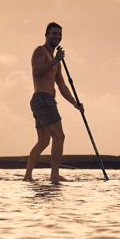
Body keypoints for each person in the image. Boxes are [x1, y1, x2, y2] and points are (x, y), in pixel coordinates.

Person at [23, 21, 84, 183]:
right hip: (42, 99)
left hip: (46, 101)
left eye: (59, 34)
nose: (57, 36)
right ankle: (54, 175)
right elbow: (37, 72)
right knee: (59, 136)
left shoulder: (56, 62)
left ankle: (27, 176)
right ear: (46, 35)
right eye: (54, 34)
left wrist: (75, 103)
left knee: (43, 141)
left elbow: (62, 86)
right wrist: (55, 60)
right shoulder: (40, 51)